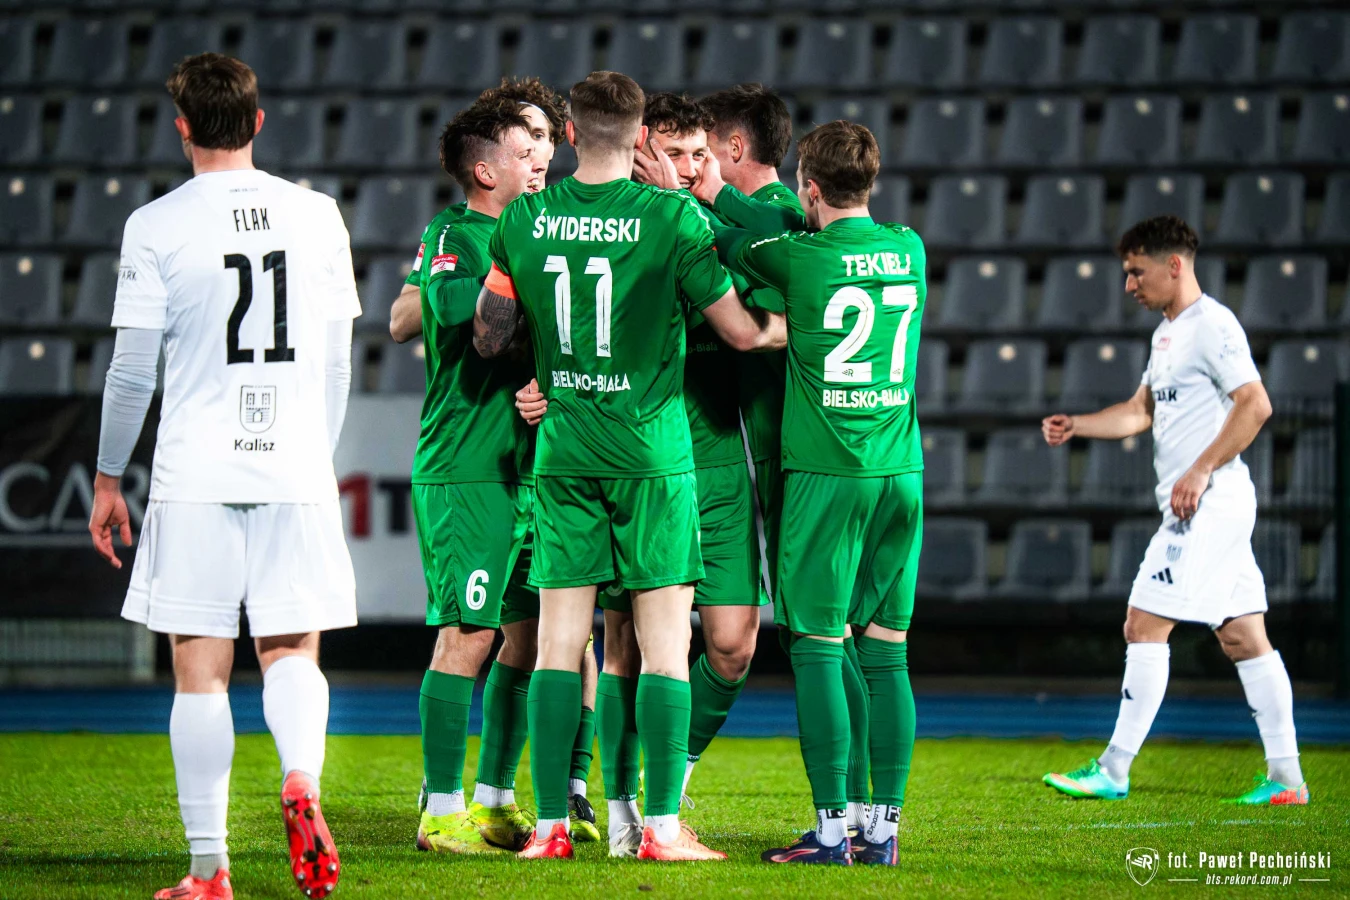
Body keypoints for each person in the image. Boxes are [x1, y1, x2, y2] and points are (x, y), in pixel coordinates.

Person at [473, 70, 785, 862]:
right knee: (664, 646)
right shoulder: (673, 218)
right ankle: (661, 831)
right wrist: (781, 330)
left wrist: (548, 361)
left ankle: (551, 827)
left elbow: (489, 335)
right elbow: (738, 332)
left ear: (573, 133)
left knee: (559, 644)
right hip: (652, 456)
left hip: (567, 451)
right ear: (641, 136)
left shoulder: (524, 218)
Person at [88, 53, 360, 900]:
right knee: (292, 651)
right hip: (296, 467)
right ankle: (301, 778)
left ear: (183, 128)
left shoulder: (155, 223)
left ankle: (209, 871)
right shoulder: (318, 215)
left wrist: (107, 479)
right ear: (257, 121)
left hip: (196, 470)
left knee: (199, 672)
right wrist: (313, 457)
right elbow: (336, 364)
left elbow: (132, 374)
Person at [1042, 216, 1307, 807]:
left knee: (1142, 623)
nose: (1129, 285)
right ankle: (1288, 780)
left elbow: (1255, 404)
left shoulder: (1212, 325)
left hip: (1208, 504)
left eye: (1137, 272)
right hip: (1209, 502)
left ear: (1174, 265)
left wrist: (1201, 468)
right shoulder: (1167, 334)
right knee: (1244, 637)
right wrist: (1078, 425)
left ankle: (1113, 768)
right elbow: (1141, 412)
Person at [715, 121, 926, 866]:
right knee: (888, 652)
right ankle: (883, 830)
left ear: (808, 187)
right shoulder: (909, 248)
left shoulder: (799, 256)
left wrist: (703, 187)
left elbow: (732, 238)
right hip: (900, 474)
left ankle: (833, 831)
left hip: (826, 477)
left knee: (816, 644)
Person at [694, 84, 876, 835]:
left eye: (705, 150)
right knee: (836, 638)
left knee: (825, 640)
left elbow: (756, 256)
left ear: (734, 149)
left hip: (798, 462)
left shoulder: (778, 217)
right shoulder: (795, 219)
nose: (695, 163)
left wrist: (704, 200)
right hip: (807, 458)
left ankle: (848, 813)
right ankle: (862, 811)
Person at [405, 96, 557, 857]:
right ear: (486, 169)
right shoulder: (456, 235)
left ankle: (495, 800)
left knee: (525, 641)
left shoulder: (537, 231)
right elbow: (458, 310)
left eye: (542, 146)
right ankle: (440, 810)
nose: (540, 160)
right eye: (523, 150)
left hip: (529, 471)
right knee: (466, 636)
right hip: (468, 468)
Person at [390, 77, 568, 345]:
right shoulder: (451, 225)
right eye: (517, 139)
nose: (529, 148)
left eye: (538, 135)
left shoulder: (567, 220)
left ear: (553, 147)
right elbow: (401, 324)